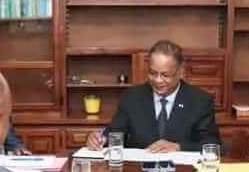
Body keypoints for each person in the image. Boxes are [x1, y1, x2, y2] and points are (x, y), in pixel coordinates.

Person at [85, 39, 220, 153]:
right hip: (137, 171)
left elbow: (212, 144)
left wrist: (178, 147)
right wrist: (100, 139)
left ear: (180, 72)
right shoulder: (132, 97)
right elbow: (115, 132)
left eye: (165, 75)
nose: (158, 80)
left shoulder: (200, 100)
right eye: (152, 73)